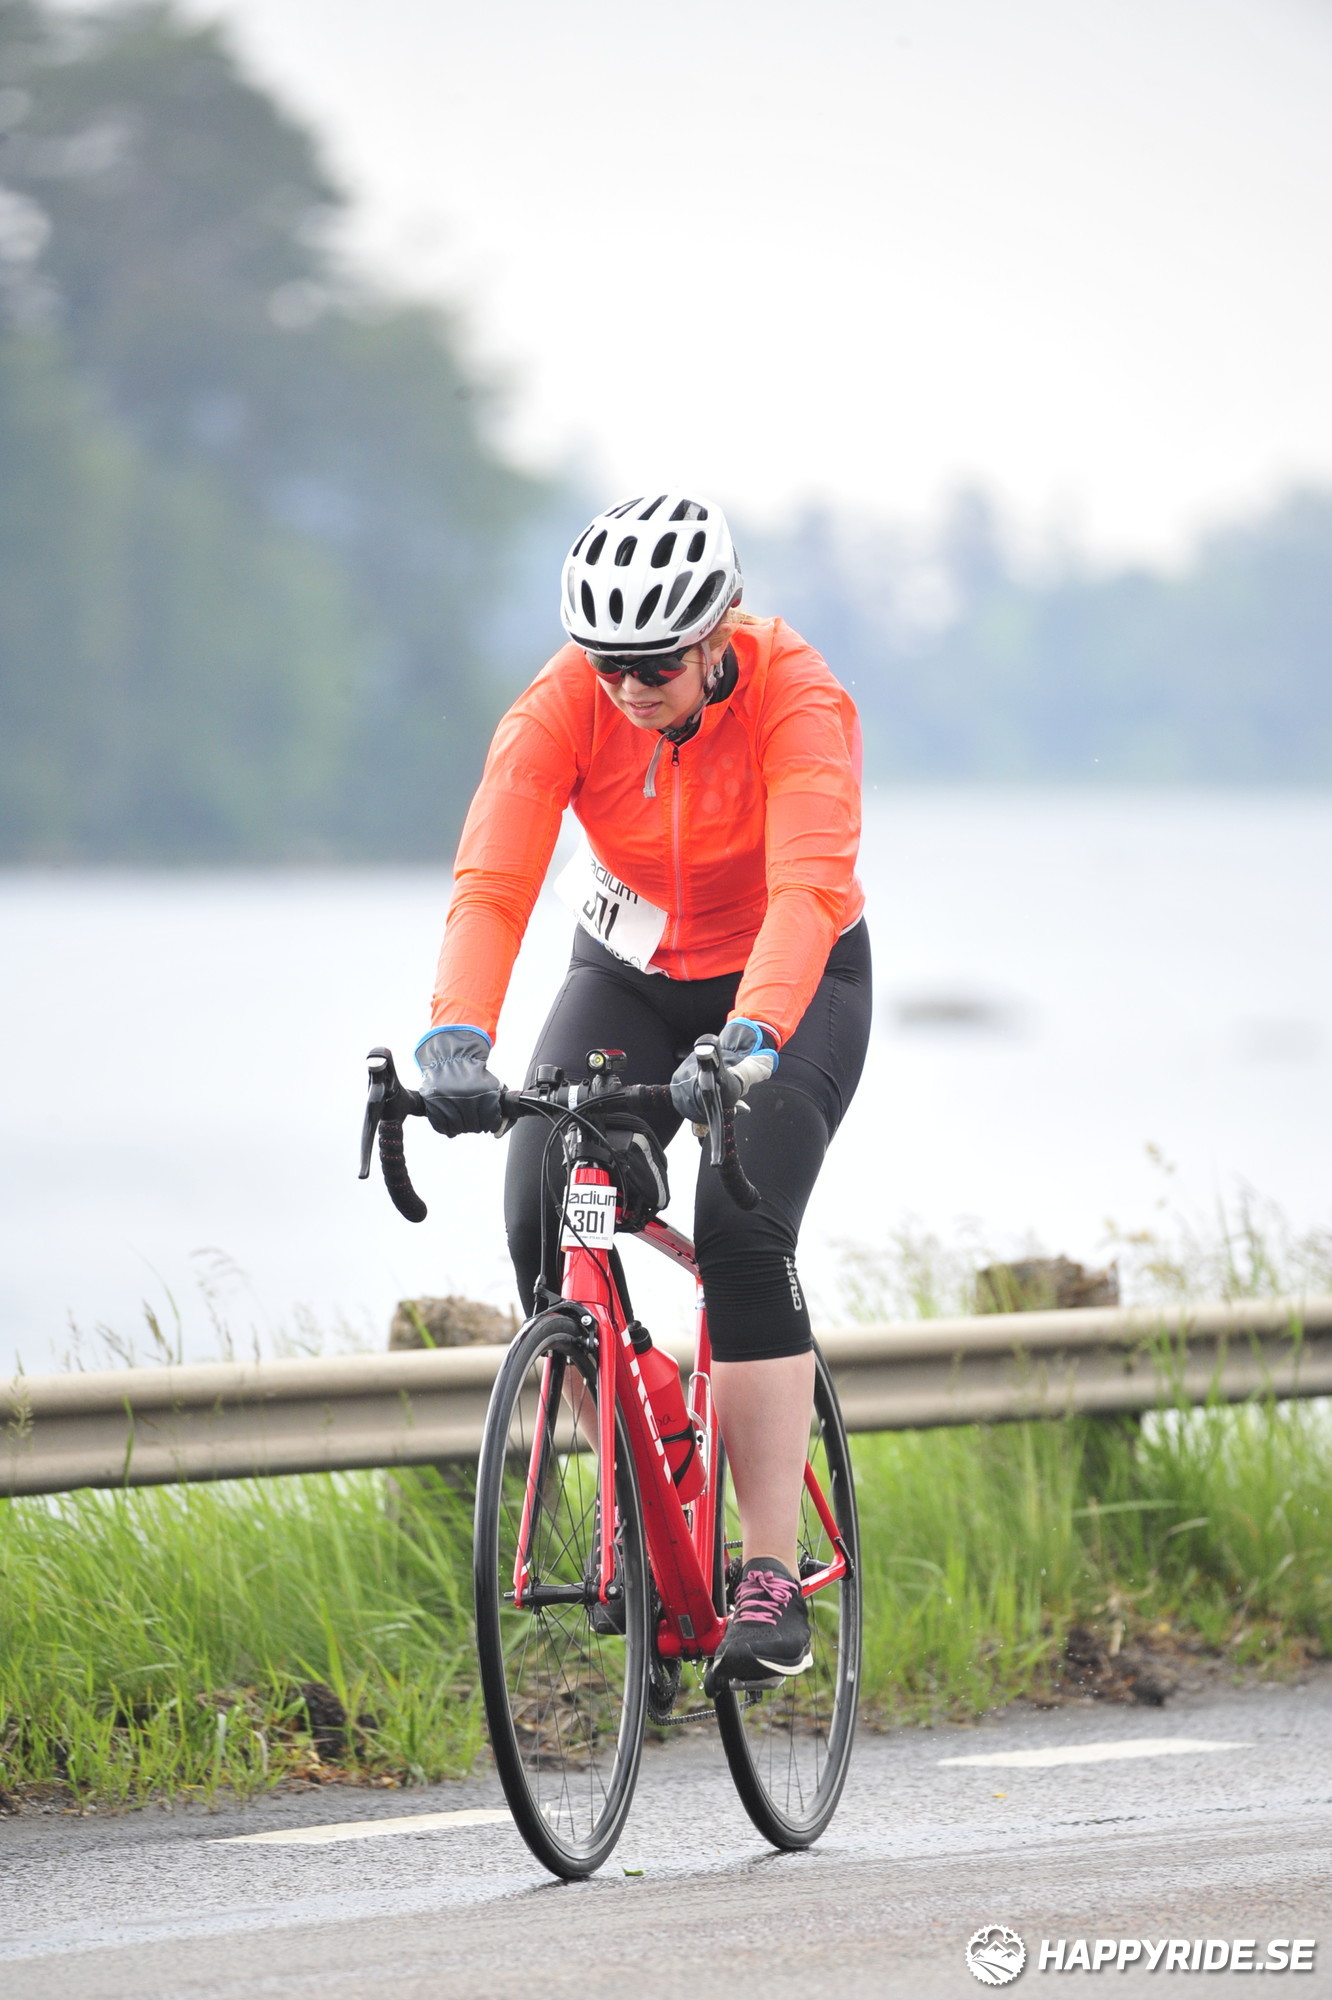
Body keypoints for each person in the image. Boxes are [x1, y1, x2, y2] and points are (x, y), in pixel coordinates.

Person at [416, 492, 871, 1689]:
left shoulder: (799, 696)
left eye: (656, 662)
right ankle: (646, 1471)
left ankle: (767, 1575)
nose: (627, 686)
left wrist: (751, 1034)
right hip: (629, 976)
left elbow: (808, 890)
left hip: (790, 983)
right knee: (540, 1205)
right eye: (607, 660)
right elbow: (495, 878)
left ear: (718, 631)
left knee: (740, 1229)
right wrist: (456, 1035)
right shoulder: (560, 703)